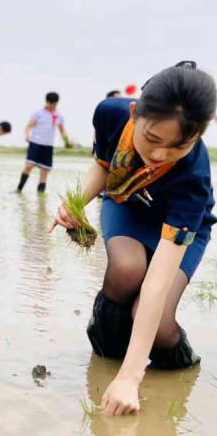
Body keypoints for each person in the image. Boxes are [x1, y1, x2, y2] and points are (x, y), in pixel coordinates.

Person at [50, 61, 216, 416]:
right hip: (127, 202)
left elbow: (156, 283)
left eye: (178, 148)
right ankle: (108, 352)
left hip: (181, 227)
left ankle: (180, 368)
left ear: (199, 136)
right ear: (133, 113)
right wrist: (76, 202)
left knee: (155, 318)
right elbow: (104, 164)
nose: (158, 156)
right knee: (126, 271)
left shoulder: (194, 181)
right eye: (152, 139)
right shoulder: (109, 115)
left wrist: (132, 376)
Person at [17, 92, 69, 193]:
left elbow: (62, 130)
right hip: (35, 143)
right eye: (51, 104)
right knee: (28, 167)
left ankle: (40, 196)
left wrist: (66, 141)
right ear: (47, 102)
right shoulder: (38, 113)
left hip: (48, 145)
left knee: (44, 172)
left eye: (54, 104)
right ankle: (19, 190)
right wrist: (27, 135)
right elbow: (29, 126)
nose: (52, 106)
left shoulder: (59, 116)